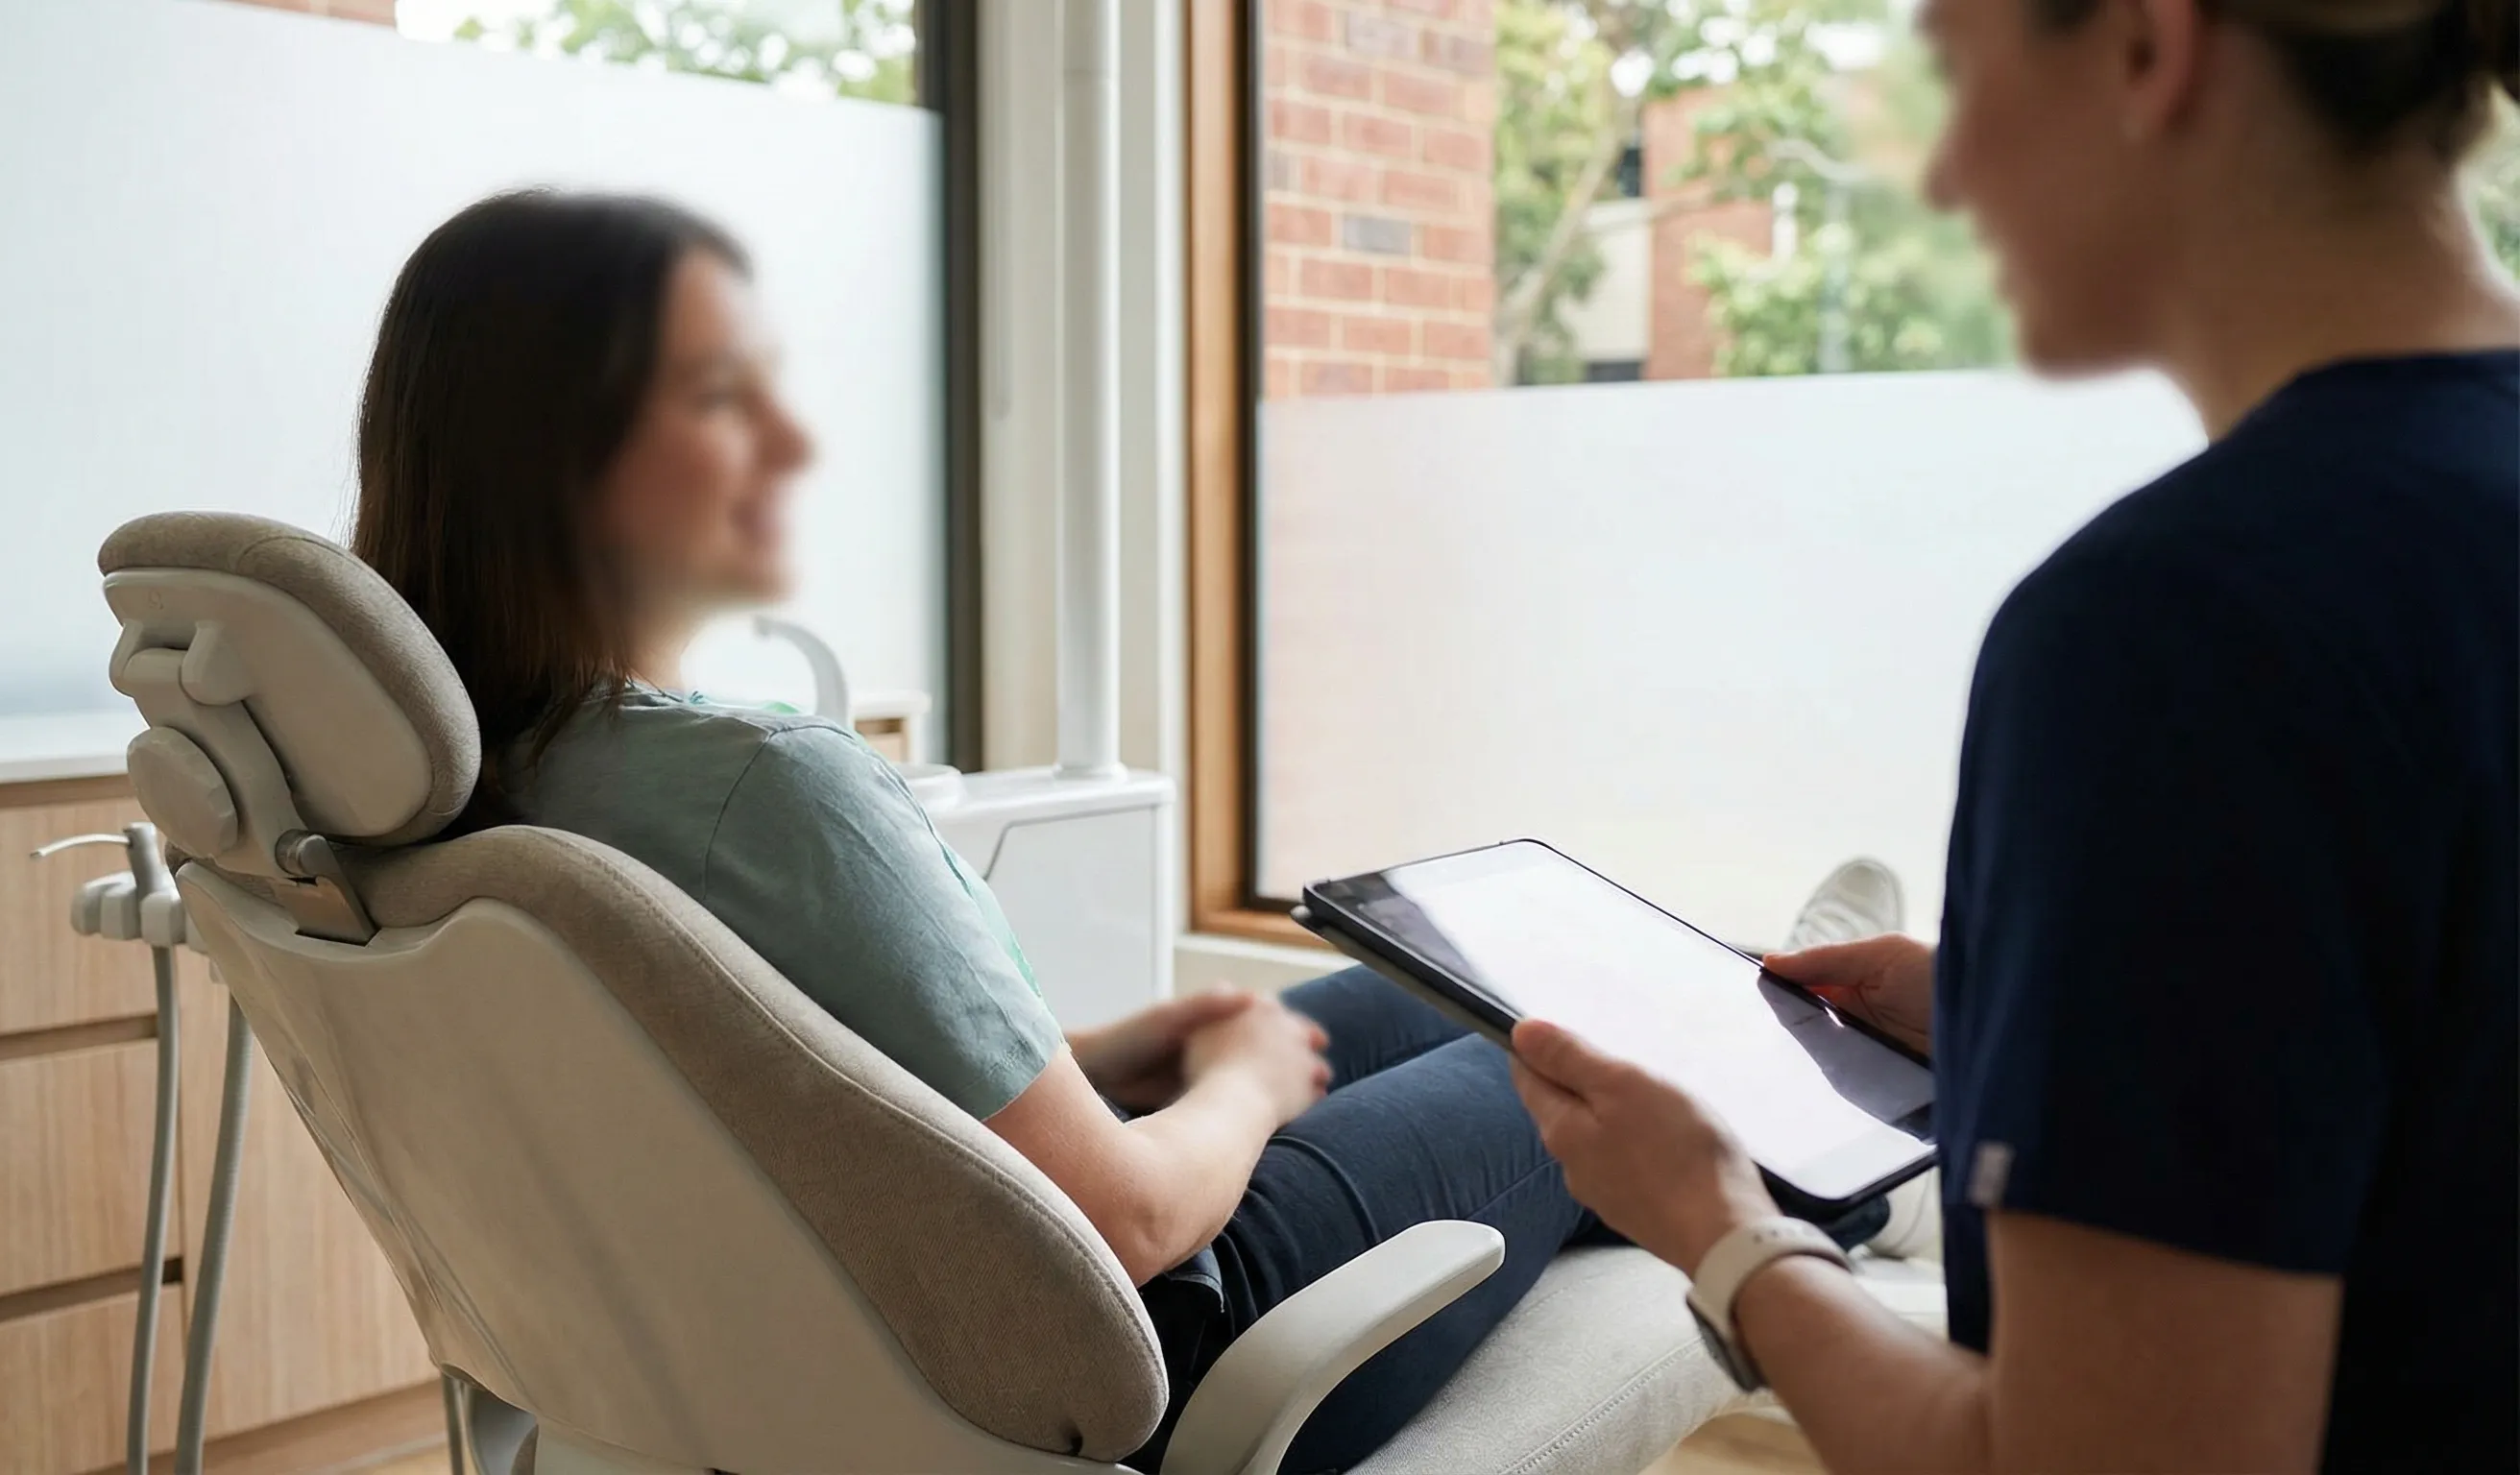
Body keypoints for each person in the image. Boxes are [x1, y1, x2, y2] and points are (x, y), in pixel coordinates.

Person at [346, 190, 1902, 1469]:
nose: (797, 444)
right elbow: (1134, 1216)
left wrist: (1091, 1058)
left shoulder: (483, 795)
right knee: (1568, 1045)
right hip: (1147, 1345)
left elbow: (780, 1091)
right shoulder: (773, 790)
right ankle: (1832, 1100)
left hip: (850, 1308)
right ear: (566, 463)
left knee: (1426, 980)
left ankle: (1802, 1084)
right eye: (719, 397)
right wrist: (1226, 1090)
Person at [1511, 0, 2517, 1468]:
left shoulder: (2179, 634)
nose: (1947, 177)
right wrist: (2035, 1027)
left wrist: (1718, 1227)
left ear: (2144, 49)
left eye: (1962, 76)